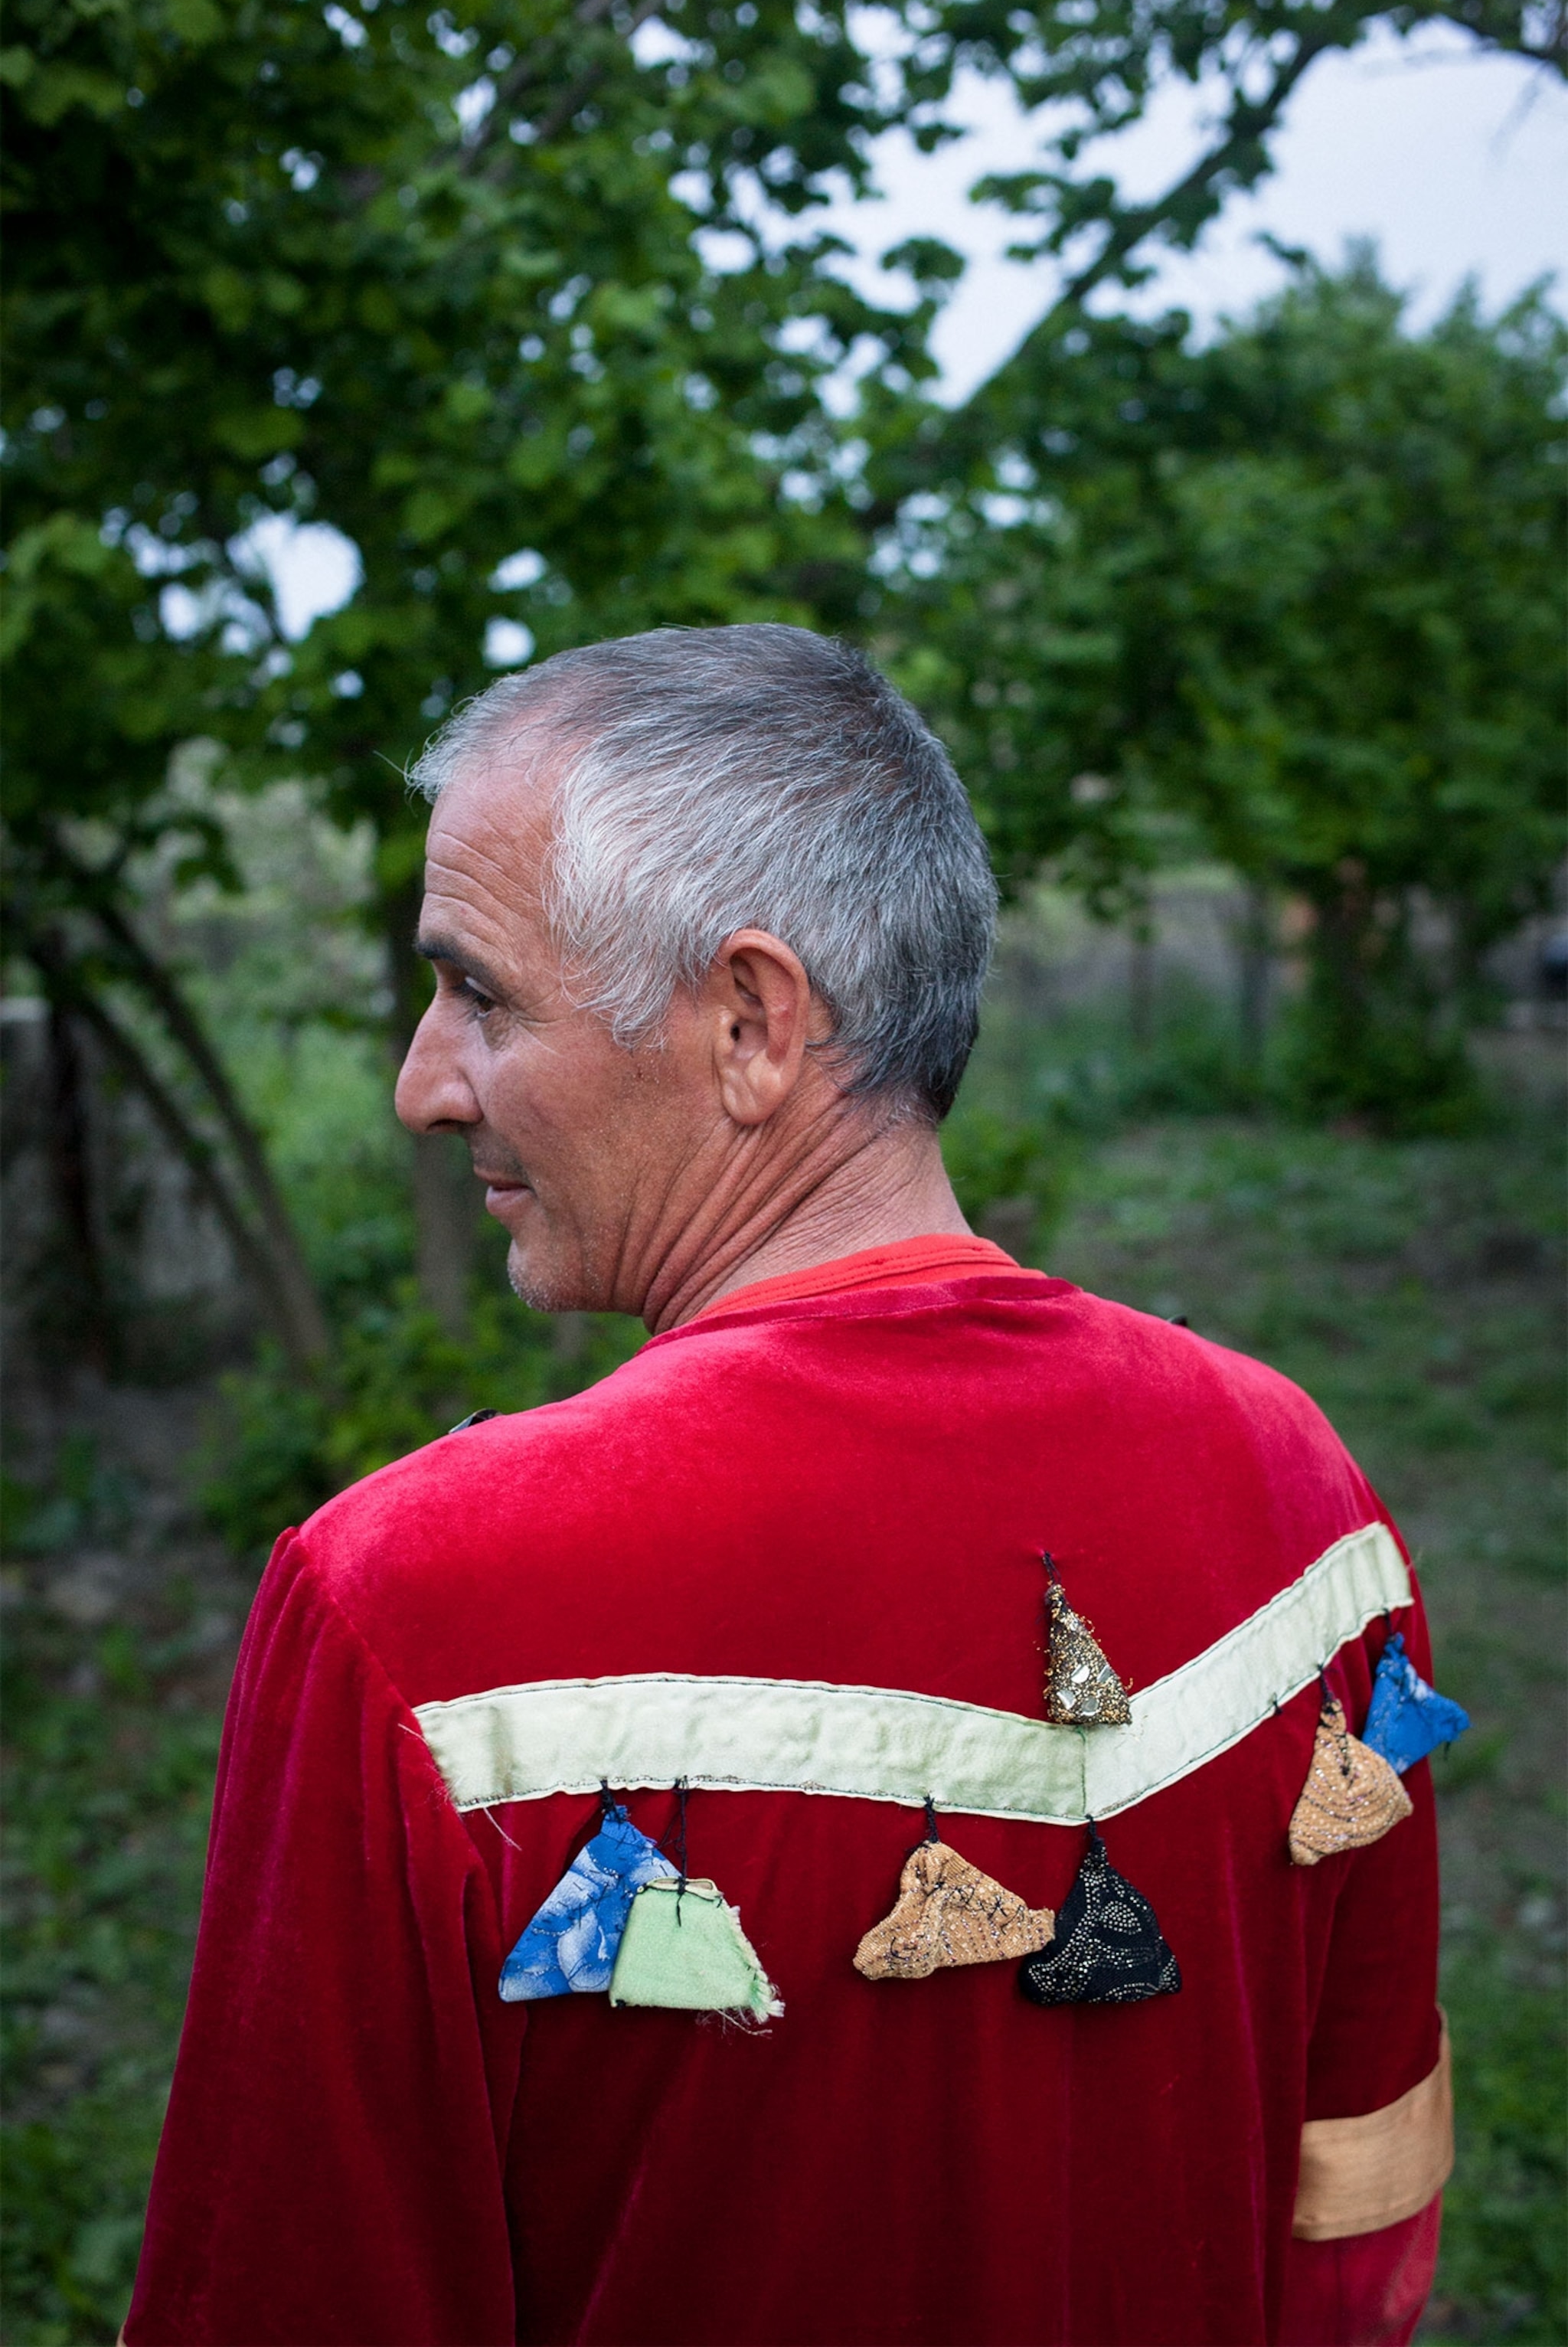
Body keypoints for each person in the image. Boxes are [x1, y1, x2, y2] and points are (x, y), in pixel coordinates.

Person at [123, 626, 1450, 2347]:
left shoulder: (414, 1607)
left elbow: (294, 2291)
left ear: (753, 1023)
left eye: (482, 994)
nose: (421, 1084)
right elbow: (1359, 2220)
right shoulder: (1298, 1480)